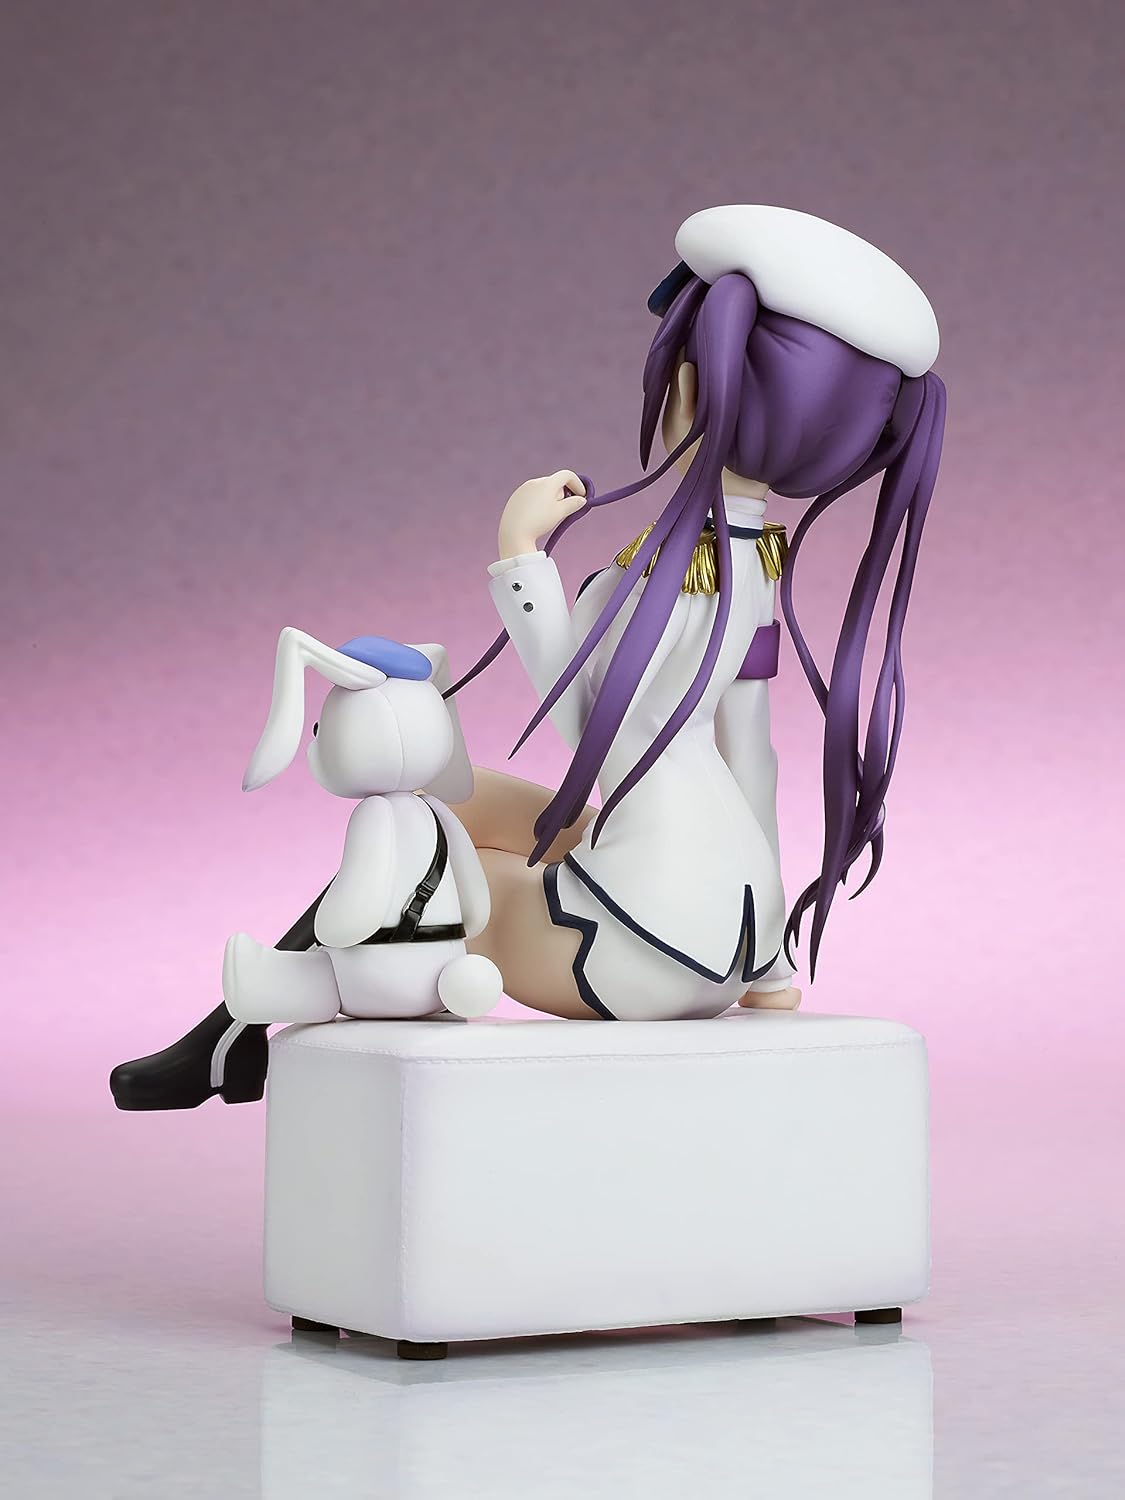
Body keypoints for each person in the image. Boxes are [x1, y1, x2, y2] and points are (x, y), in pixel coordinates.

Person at [109, 204, 945, 1104]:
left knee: (422, 853)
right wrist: (767, 963)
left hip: (631, 952)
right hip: (728, 941)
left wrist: (519, 555)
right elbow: (754, 761)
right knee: (457, 800)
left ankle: (247, 1021)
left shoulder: (667, 571)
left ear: (691, 391)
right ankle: (227, 1040)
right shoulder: (756, 567)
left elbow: (591, 722)